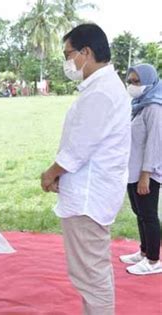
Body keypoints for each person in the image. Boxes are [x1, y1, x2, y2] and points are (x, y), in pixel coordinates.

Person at [40, 24, 131, 315]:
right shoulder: (101, 87)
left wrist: (52, 172)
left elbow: (78, 147)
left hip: (89, 198)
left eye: (68, 54)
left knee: (91, 275)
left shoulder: (101, 91)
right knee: (89, 273)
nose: (67, 62)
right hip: (90, 192)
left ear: (86, 52)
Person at [119, 64, 162, 275]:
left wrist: (146, 175)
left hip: (147, 172)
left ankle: (154, 261)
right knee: (140, 213)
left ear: (149, 82)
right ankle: (144, 252)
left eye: (137, 82)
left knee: (149, 215)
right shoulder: (139, 105)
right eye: (130, 81)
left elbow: (155, 143)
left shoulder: (154, 107)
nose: (132, 85)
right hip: (133, 170)